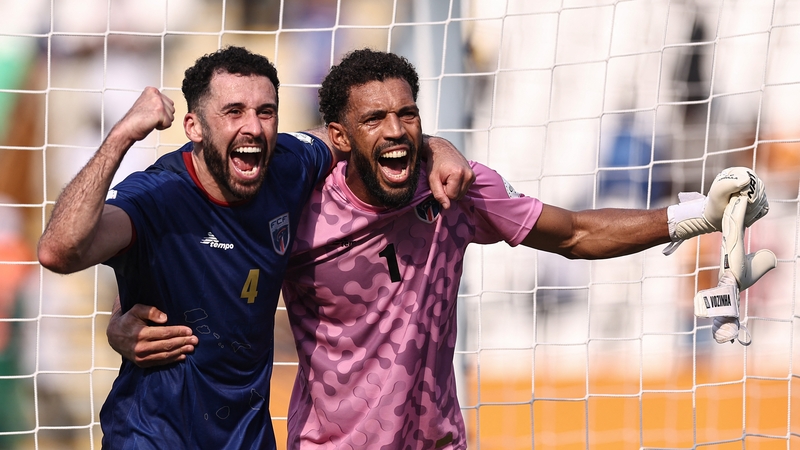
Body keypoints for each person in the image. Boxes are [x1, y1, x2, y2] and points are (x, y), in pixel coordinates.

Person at [108, 49, 772, 449]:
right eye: (375, 120)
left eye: (408, 116)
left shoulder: (456, 189)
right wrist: (127, 318)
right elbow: (220, 265)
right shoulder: (301, 203)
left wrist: (695, 216)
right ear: (339, 137)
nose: (396, 132)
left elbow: (573, 234)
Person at [36, 46, 473, 450]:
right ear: (194, 127)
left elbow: (356, 132)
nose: (254, 126)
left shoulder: (288, 164)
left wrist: (434, 145)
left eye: (266, 112)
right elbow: (59, 252)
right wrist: (121, 136)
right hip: (153, 434)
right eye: (234, 111)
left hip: (247, 437)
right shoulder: (157, 197)